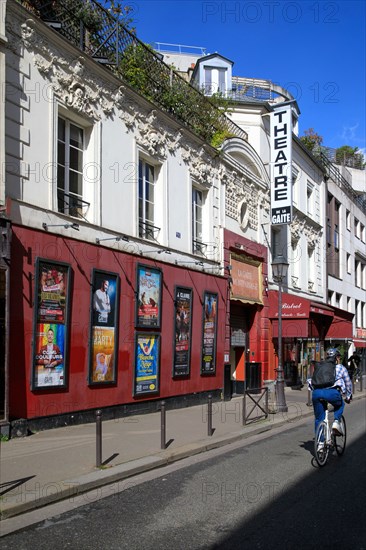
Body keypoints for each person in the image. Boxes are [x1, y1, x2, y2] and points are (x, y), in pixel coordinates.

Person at [309, 348, 352, 438]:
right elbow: (348, 382)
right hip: (332, 393)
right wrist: (348, 396)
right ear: (336, 358)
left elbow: (311, 382)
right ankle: (336, 422)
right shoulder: (340, 367)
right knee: (340, 404)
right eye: (339, 357)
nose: (339, 359)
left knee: (318, 419)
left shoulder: (320, 366)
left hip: (316, 393)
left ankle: (320, 444)